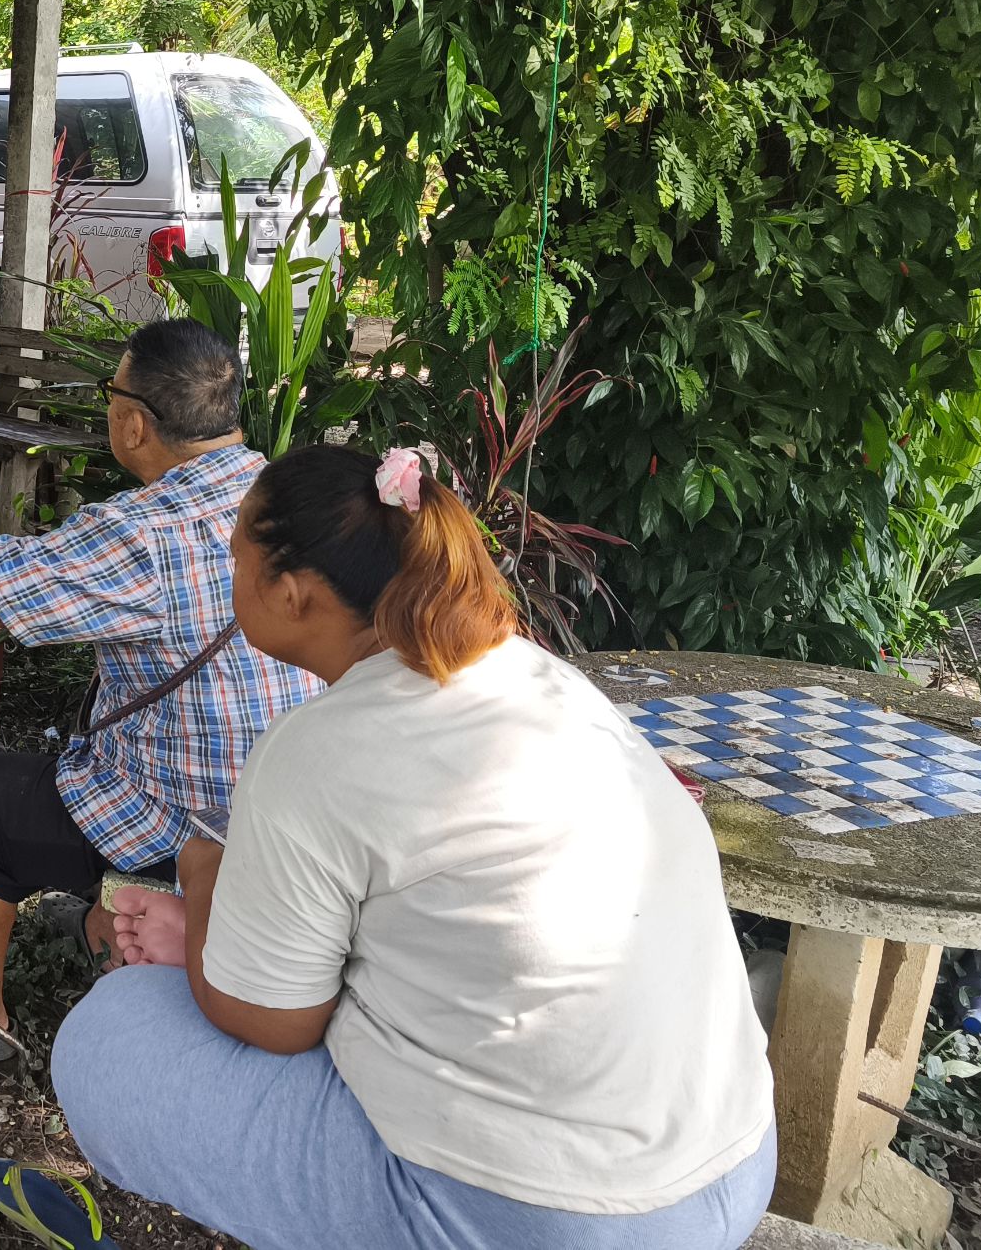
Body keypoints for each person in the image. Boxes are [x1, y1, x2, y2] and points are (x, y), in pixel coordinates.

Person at [43, 444, 776, 1250]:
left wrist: (204, 871)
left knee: (111, 1036)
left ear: (289, 594)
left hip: (560, 1219)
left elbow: (272, 1023)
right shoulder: (543, 680)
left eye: (235, 560)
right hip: (732, 1157)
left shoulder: (316, 749)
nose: (230, 577)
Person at [0, 319, 318, 1064]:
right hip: (290, 820)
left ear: (134, 424)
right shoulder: (290, 496)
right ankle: (102, 922)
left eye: (111, 394)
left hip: (191, 832)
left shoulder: (142, 531)